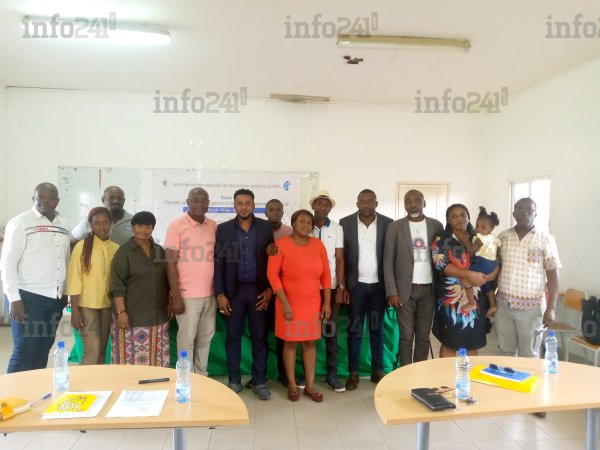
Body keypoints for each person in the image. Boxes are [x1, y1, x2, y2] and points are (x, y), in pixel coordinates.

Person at [1, 183, 71, 373]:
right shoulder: (21, 222)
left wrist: (64, 292)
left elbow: (65, 259)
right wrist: (13, 299)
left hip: (55, 299)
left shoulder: (64, 224)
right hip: (28, 297)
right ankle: (13, 391)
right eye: (41, 197)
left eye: (50, 197)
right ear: (34, 199)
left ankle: (35, 388)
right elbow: (8, 262)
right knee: (25, 350)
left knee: (43, 348)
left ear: (57, 201)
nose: (45, 201)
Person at [215, 189, 274, 400]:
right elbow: (219, 263)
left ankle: (259, 381)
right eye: (239, 203)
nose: (244, 207)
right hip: (234, 292)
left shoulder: (266, 227)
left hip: (259, 291)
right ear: (234, 205)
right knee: (233, 338)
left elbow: (272, 261)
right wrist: (220, 294)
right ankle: (234, 380)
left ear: (254, 205)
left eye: (247, 203)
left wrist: (270, 290)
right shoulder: (224, 230)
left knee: (260, 338)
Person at [267, 209, 332, 402]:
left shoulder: (318, 245)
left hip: (312, 303)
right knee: (290, 342)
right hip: (288, 303)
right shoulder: (281, 245)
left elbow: (326, 275)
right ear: (293, 224)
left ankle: (310, 386)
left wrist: (327, 302)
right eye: (301, 221)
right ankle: (292, 385)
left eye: (308, 222)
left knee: (310, 342)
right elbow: (272, 274)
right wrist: (285, 303)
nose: (306, 224)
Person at [340, 189, 393, 390]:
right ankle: (353, 373)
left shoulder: (388, 223)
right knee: (354, 330)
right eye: (363, 201)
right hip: (356, 287)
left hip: (379, 286)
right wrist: (344, 286)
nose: (366, 204)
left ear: (376, 203)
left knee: (376, 329)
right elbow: (342, 257)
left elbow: (391, 256)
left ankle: (377, 371)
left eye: (370, 201)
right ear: (357, 204)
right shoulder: (345, 223)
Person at [383, 190, 443, 366]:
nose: (413, 204)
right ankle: (405, 373)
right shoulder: (395, 227)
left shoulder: (436, 226)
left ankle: (419, 373)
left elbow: (442, 258)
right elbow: (388, 261)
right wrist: (392, 291)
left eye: (417, 200)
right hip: (404, 290)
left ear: (424, 203)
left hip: (429, 289)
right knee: (406, 337)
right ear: (404, 205)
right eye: (408, 201)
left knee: (423, 337)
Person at [496, 198, 561, 358]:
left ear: (535, 214)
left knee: (529, 355)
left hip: (531, 308)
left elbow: (553, 276)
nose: (525, 213)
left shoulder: (545, 239)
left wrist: (551, 308)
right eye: (520, 209)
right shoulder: (503, 237)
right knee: (505, 352)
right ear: (514, 214)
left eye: (529, 210)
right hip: (503, 306)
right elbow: (495, 269)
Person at [431, 204, 497, 357]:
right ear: (448, 220)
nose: (459, 219)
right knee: (449, 341)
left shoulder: (479, 236)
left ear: (468, 217)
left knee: (472, 341)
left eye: (463, 215)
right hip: (451, 300)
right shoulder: (441, 238)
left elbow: (495, 260)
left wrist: (487, 277)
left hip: (477, 298)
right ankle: (445, 373)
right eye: (454, 216)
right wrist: (469, 275)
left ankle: (468, 372)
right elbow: (441, 265)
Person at [164, 188, 217, 376]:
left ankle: (201, 376)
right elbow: (170, 263)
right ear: (188, 202)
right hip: (187, 296)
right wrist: (175, 296)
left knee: (205, 338)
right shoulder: (176, 226)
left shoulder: (213, 225)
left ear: (208, 203)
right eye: (195, 200)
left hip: (210, 295)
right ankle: (186, 378)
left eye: (204, 200)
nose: (199, 204)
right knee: (186, 340)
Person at [109, 211, 173, 367]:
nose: (143, 230)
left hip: (158, 316)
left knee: (158, 362)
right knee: (129, 363)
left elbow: (167, 280)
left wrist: (170, 301)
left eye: (148, 226)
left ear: (152, 229)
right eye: (139, 226)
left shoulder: (159, 251)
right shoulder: (124, 252)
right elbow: (117, 286)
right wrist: (121, 313)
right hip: (132, 317)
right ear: (132, 227)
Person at [66, 207, 119, 365]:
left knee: (102, 350)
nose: (102, 226)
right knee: (92, 350)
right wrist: (75, 310)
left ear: (111, 224)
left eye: (105, 223)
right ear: (91, 224)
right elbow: (74, 279)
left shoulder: (115, 248)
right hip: (86, 305)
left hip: (107, 305)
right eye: (97, 223)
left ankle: (98, 380)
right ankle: (84, 381)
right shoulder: (81, 247)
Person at [264, 198, 304, 388]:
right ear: (265, 212)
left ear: (282, 213)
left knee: (285, 336)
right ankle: (259, 376)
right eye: (271, 209)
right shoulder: (258, 230)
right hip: (261, 289)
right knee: (261, 334)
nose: (274, 212)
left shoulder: (289, 232)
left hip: (284, 291)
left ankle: (285, 375)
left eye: (278, 210)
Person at [310, 190, 346, 392]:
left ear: (330, 208)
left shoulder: (337, 229)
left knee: (330, 332)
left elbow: (339, 259)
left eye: (327, 204)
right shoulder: (305, 225)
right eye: (319, 203)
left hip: (330, 287)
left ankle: (331, 376)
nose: (323, 207)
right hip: (307, 287)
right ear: (313, 206)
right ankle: (307, 375)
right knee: (307, 332)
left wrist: (340, 286)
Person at [465, 206, 501, 317]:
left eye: (483, 227)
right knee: (488, 285)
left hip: (482, 262)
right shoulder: (494, 237)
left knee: (466, 278)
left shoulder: (480, 238)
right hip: (492, 264)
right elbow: (498, 249)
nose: (478, 229)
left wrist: (467, 242)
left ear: (491, 228)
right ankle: (493, 305)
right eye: (477, 226)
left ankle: (471, 302)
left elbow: (472, 250)